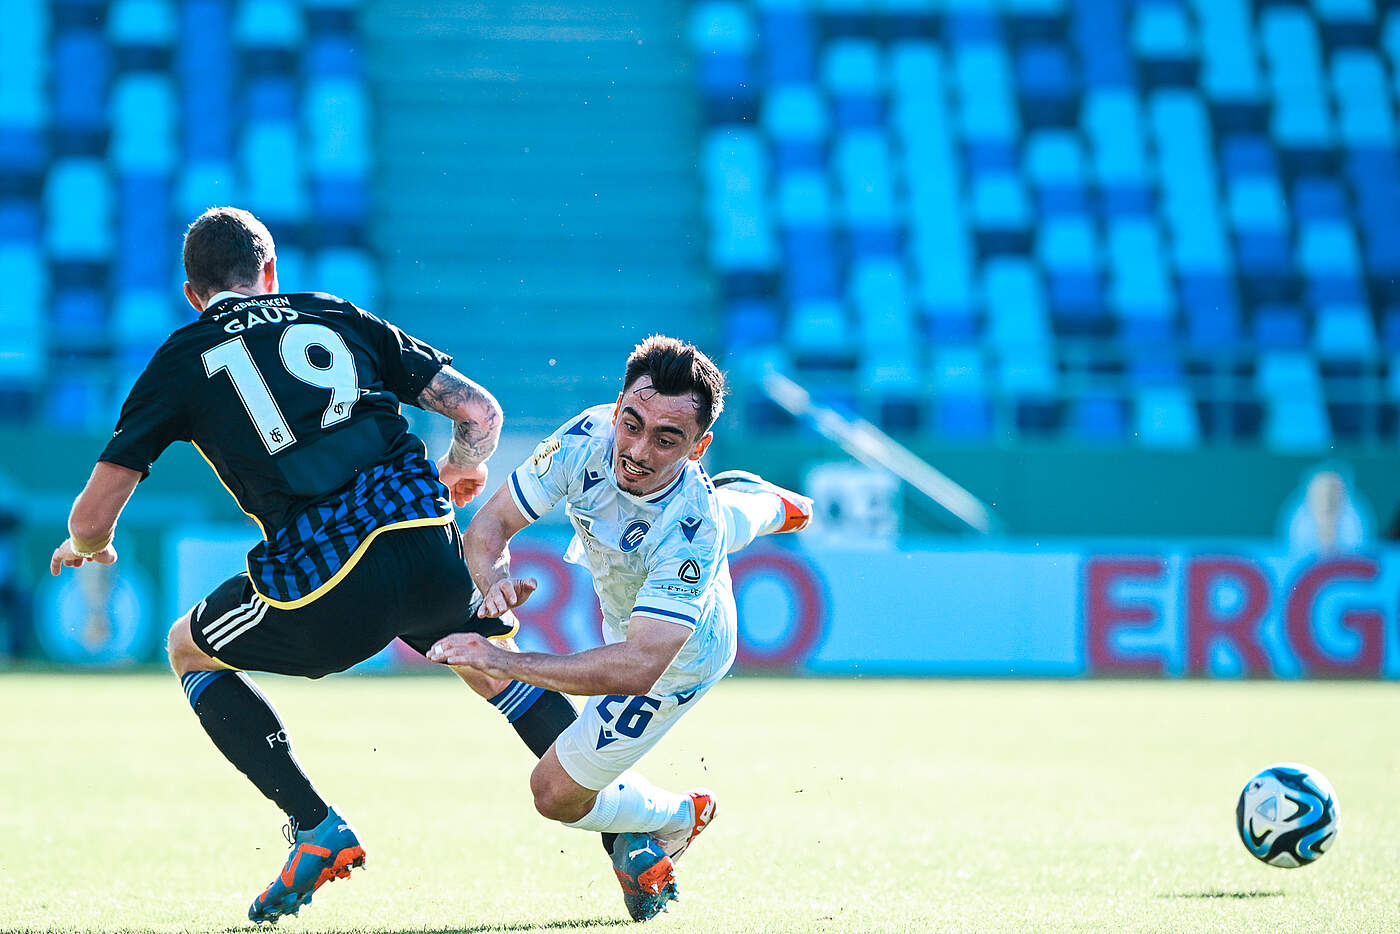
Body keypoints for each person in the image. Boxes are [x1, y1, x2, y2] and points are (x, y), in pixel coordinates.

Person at [46, 206, 581, 925]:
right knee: (492, 663)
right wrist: (459, 467)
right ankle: (626, 835)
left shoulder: (184, 355)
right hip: (426, 545)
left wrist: (88, 546)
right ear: (270, 273)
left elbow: (90, 519)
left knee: (188, 649)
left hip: (325, 582)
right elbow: (480, 413)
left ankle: (315, 826)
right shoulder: (331, 311)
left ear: (192, 294)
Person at [428, 335, 811, 921]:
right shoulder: (585, 438)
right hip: (638, 601)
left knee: (553, 795)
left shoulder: (691, 528)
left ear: (699, 447)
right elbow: (488, 527)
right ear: (615, 410)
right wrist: (495, 581)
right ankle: (762, 501)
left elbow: (638, 667)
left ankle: (679, 816)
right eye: (632, 424)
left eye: (666, 440)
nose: (637, 450)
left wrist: (503, 660)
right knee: (726, 516)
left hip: (678, 662)